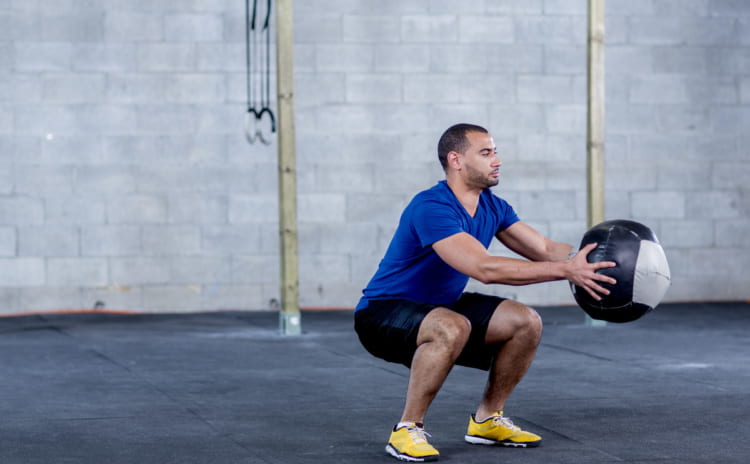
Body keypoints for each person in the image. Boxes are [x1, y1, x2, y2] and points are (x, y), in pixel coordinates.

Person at [354, 123, 616, 462]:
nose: (498, 160)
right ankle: (406, 429)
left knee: (525, 322)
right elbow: (484, 269)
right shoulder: (431, 207)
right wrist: (568, 271)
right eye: (486, 152)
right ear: (456, 160)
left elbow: (547, 248)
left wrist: (601, 259)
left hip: (441, 306)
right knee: (452, 326)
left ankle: (487, 420)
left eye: (495, 151)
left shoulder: (494, 206)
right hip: (382, 313)